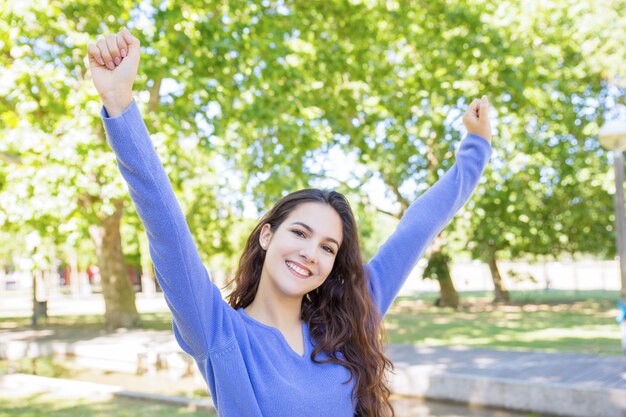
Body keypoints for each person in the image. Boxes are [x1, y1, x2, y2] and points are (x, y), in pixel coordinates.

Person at [87, 27, 493, 417]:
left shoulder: (349, 316)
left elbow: (417, 228)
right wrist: (121, 106)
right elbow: (165, 225)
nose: (310, 253)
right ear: (267, 234)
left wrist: (475, 147)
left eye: (327, 247)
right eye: (300, 232)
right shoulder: (218, 333)